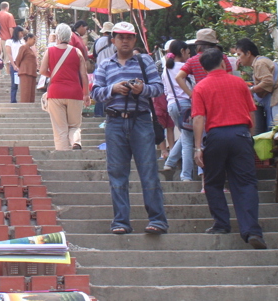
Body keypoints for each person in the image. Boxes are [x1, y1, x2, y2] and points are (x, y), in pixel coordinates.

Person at [91, 22, 168, 235]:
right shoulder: (105, 65)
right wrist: (112, 89)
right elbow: (94, 93)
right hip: (114, 122)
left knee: (149, 171)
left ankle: (157, 220)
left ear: (134, 39)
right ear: (113, 40)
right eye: (120, 37)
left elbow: (158, 89)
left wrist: (142, 89)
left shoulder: (145, 62)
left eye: (129, 37)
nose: (125, 40)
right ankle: (121, 222)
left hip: (141, 120)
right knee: (117, 173)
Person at [191, 47, 266, 249]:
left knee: (213, 182)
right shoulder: (239, 82)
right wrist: (248, 136)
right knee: (246, 183)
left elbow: (198, 118)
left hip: (215, 136)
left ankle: (222, 224)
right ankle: (252, 230)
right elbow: (252, 112)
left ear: (204, 67)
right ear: (224, 63)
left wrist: (198, 148)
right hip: (240, 134)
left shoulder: (200, 87)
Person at [39, 23, 89, 150]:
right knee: (75, 126)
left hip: (56, 93)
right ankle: (76, 142)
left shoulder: (50, 51)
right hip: (75, 92)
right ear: (70, 36)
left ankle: (62, 154)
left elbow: (42, 71)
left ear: (57, 36)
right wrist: (86, 95)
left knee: (60, 128)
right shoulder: (77, 52)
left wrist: (54, 75)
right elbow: (84, 75)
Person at [235, 38, 278, 128]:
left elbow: (267, 81)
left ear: (248, 53)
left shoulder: (259, 63)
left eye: (239, 54)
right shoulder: (260, 62)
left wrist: (251, 90)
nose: (238, 59)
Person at [160, 39, 195, 181]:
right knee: (188, 140)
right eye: (187, 52)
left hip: (172, 105)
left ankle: (170, 163)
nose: (188, 55)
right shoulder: (184, 67)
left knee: (185, 135)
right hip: (185, 105)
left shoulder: (166, 68)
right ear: (182, 51)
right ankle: (186, 175)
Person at [175, 28, 234, 97]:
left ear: (198, 45)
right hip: (222, 94)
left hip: (204, 96)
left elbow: (178, 77)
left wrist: (191, 95)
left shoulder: (192, 60)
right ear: (214, 44)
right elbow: (230, 76)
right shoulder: (221, 56)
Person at [4, 26, 26, 103]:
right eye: (21, 33)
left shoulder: (23, 42)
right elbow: (9, 54)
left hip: (22, 63)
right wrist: (13, 65)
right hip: (14, 62)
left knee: (24, 82)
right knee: (14, 83)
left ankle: (24, 99)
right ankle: (13, 100)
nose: (22, 34)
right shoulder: (9, 41)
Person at [14, 32, 38, 103]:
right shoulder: (23, 47)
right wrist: (18, 66)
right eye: (34, 39)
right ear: (29, 39)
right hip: (25, 72)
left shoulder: (30, 49)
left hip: (32, 73)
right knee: (25, 92)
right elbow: (18, 59)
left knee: (31, 93)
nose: (34, 41)